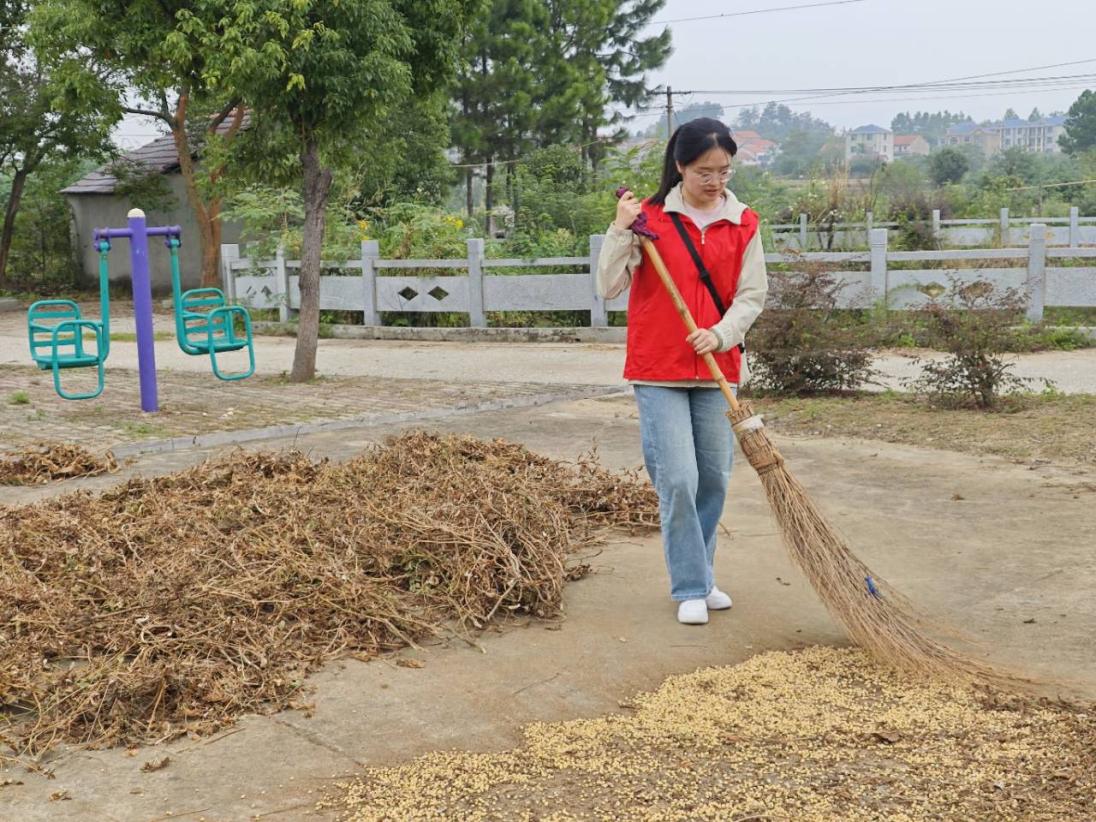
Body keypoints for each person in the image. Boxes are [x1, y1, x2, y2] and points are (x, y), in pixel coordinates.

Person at [596, 117, 768, 625]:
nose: (715, 181)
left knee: (713, 478)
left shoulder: (744, 222)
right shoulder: (649, 219)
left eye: (723, 170)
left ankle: (704, 574)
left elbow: (752, 294)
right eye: (703, 172)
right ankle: (691, 586)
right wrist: (619, 230)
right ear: (680, 167)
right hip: (657, 368)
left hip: (718, 367)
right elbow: (607, 286)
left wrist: (720, 334)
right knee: (679, 479)